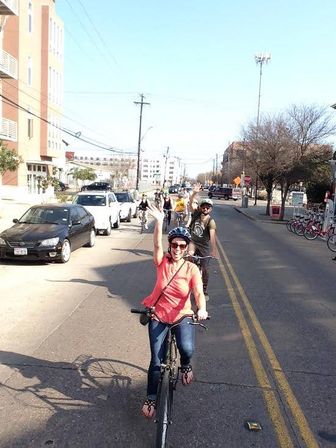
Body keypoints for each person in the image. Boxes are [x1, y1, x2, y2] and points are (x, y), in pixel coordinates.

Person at [141, 204, 208, 418]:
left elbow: (198, 293)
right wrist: (160, 222)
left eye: (182, 246)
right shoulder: (162, 263)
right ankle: (151, 398)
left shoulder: (192, 268)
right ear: (170, 246)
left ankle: (185, 366)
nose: (177, 249)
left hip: (182, 316)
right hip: (159, 315)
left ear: (187, 247)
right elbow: (155, 246)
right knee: (156, 361)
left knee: (187, 349)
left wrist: (202, 309)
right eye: (174, 245)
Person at [188, 185, 218, 300]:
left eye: (207, 208)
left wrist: (214, 250)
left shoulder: (211, 221)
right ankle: (188, 284)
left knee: (205, 269)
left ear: (210, 209)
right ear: (200, 208)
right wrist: (194, 194)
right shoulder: (196, 214)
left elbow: (212, 235)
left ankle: (204, 290)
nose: (205, 209)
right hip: (194, 242)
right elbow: (191, 203)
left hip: (204, 246)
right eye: (203, 207)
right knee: (189, 258)